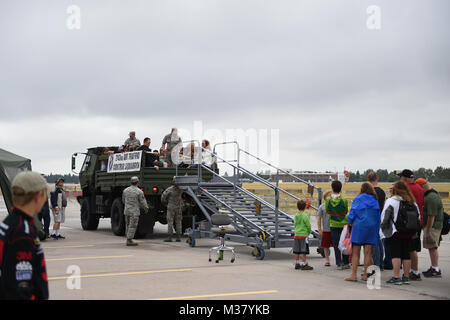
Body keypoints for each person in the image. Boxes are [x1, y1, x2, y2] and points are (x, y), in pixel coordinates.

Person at [0, 171, 49, 300]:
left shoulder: (11, 222)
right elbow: (20, 288)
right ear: (38, 196)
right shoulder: (22, 233)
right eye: (46, 194)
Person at [380, 181, 420, 285]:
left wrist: (383, 229)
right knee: (406, 254)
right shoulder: (412, 202)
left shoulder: (391, 201)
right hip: (409, 232)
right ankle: (406, 277)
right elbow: (418, 217)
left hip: (395, 231)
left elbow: (385, 217)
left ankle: (396, 277)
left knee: (396, 254)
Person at [345, 183, 380, 282]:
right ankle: (365, 274)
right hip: (371, 228)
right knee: (368, 253)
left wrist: (349, 221)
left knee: (355, 252)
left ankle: (354, 275)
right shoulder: (375, 200)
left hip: (359, 227)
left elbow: (352, 213)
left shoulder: (358, 199)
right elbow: (378, 216)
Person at [398, 169, 424, 281]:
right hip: (418, 221)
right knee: (412, 247)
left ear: (404, 178)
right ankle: (414, 270)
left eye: (400, 177)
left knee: (410, 248)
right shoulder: (419, 187)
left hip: (409, 222)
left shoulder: (407, 189)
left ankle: (414, 271)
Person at [415, 178, 444, 278]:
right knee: (431, 247)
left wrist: (428, 229)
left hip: (433, 226)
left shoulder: (431, 197)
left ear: (422, 186)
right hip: (432, 225)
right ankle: (433, 267)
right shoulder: (431, 194)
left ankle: (435, 268)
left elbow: (432, 215)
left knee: (432, 247)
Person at [326, 180, 350, 270]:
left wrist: (334, 213)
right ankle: (346, 262)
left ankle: (339, 263)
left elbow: (327, 210)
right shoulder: (343, 199)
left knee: (336, 244)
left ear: (332, 188)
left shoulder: (328, 199)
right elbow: (345, 211)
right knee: (344, 242)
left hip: (333, 223)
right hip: (343, 223)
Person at [368, 172, 387, 271]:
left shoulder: (369, 192)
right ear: (377, 179)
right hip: (379, 216)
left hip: (371, 218)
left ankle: (376, 264)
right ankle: (381, 263)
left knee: (374, 242)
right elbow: (383, 205)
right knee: (379, 241)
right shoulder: (382, 192)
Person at [122, 176, 149, 246]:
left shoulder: (125, 190)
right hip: (134, 212)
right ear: (137, 182)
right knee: (133, 226)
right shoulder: (139, 191)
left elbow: (123, 200)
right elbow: (143, 201)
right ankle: (129, 240)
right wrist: (146, 208)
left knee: (127, 225)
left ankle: (128, 238)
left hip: (127, 211)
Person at [293, 199, 313, 270]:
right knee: (303, 251)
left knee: (297, 251)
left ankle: (297, 263)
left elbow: (295, 224)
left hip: (296, 235)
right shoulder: (304, 215)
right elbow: (308, 225)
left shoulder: (296, 215)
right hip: (303, 235)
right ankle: (304, 264)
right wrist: (308, 232)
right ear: (305, 207)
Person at [317, 191, 332, 266]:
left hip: (335, 228)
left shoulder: (335, 205)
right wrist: (319, 229)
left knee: (337, 245)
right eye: (329, 195)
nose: (331, 196)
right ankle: (327, 260)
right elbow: (319, 218)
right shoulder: (322, 206)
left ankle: (340, 259)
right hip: (326, 229)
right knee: (325, 245)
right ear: (325, 197)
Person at [37, 174, 51, 239]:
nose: (45, 179)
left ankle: (46, 232)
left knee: (46, 219)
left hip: (45, 204)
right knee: (39, 219)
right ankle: (40, 232)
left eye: (45, 177)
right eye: (43, 177)